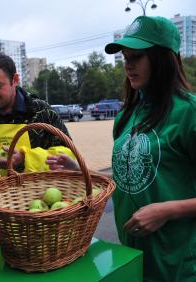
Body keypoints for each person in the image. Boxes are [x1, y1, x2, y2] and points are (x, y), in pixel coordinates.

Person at [49, 16, 196, 281]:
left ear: (163, 59)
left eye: (136, 57)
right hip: (130, 259)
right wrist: (82, 171)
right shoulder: (126, 117)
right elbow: (128, 183)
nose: (128, 65)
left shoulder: (189, 113)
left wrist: (166, 210)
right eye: (125, 57)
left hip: (178, 268)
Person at [0, 54, 75, 174]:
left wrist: (25, 159)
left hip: (34, 191)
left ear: (15, 80)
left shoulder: (42, 113)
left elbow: (69, 156)